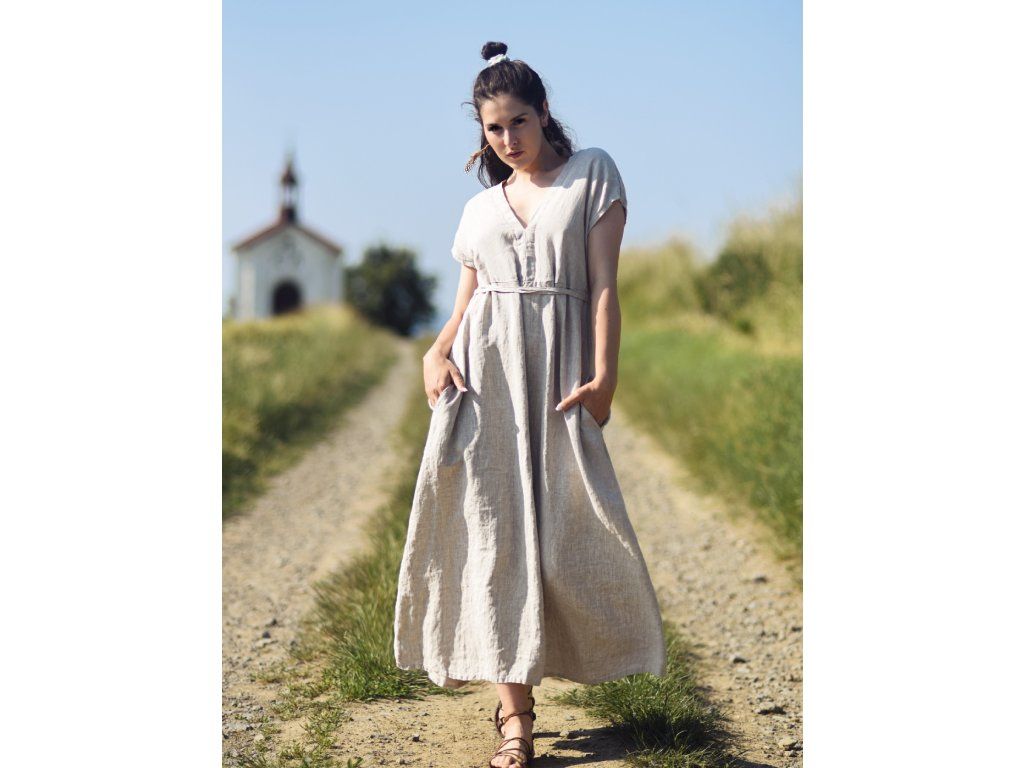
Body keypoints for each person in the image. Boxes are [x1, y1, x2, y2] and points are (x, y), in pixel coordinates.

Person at [393, 41, 667, 768]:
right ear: (481, 132)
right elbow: (466, 302)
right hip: (483, 383)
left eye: (519, 121)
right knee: (491, 538)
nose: (508, 139)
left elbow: (604, 285)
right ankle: (514, 719)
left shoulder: (591, 175)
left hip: (558, 379)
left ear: (544, 112)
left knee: (573, 532)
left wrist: (605, 376)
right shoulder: (479, 208)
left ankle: (604, 657)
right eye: (494, 128)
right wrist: (436, 350)